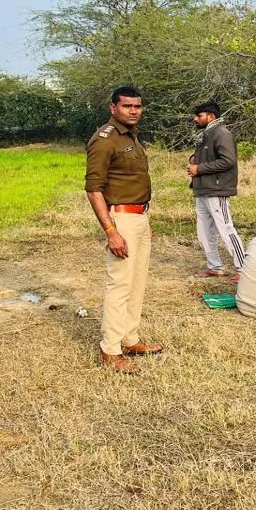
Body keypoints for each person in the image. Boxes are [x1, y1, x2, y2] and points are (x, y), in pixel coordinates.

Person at [85, 87, 164, 375]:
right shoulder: (105, 140)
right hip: (121, 220)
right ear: (113, 108)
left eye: (138, 106)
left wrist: (146, 220)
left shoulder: (130, 137)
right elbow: (93, 189)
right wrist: (111, 230)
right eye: (127, 106)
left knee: (137, 282)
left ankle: (130, 339)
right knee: (119, 285)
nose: (134, 111)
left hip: (139, 217)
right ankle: (110, 349)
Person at [187, 101, 246, 279]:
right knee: (204, 232)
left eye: (199, 115)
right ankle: (215, 267)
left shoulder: (221, 133)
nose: (195, 119)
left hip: (216, 189)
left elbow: (228, 160)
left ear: (211, 116)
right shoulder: (207, 134)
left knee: (226, 229)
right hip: (203, 189)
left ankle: (244, 269)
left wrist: (199, 169)